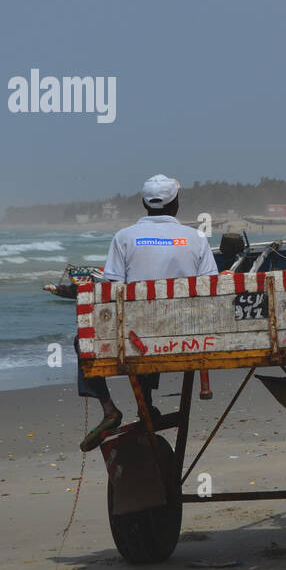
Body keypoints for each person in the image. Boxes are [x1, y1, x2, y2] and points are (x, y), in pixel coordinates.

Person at [78, 175, 218, 450]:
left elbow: (113, 290)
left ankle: (109, 408)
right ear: (175, 203)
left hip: (139, 336)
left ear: (144, 203)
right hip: (185, 334)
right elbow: (210, 286)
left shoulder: (124, 237)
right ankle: (147, 406)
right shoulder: (196, 238)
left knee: (93, 337)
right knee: (152, 323)